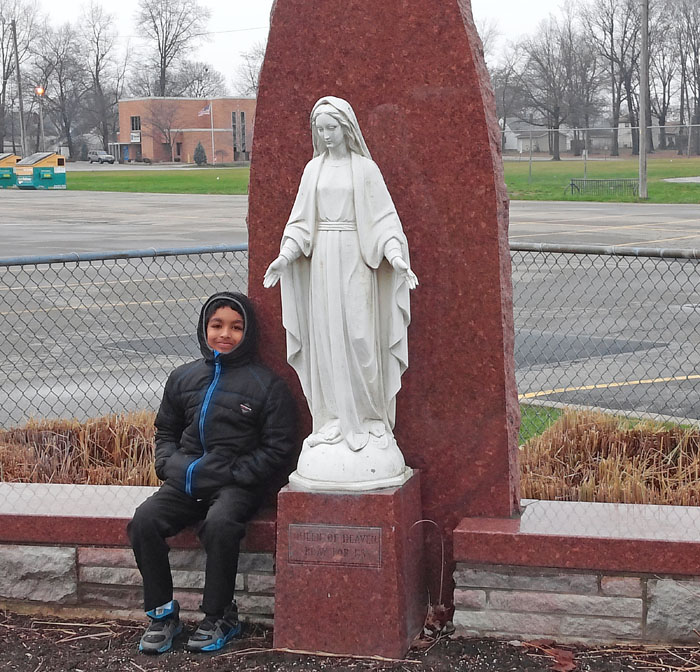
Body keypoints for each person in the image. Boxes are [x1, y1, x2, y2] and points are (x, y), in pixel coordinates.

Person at [128, 291, 296, 654]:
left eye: (236, 327)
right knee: (144, 520)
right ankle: (163, 615)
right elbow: (165, 431)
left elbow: (279, 447)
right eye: (217, 325)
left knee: (219, 525)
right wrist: (167, 464)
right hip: (186, 480)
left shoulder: (266, 385)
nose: (225, 334)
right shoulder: (183, 377)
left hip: (236, 486)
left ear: (248, 333)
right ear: (205, 328)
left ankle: (220, 615)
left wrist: (238, 472)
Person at [263, 96, 418, 486]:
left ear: (346, 128)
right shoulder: (312, 170)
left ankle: (369, 418)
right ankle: (332, 417)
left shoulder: (365, 170)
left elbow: (384, 222)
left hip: (356, 260)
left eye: (331, 128)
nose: (326, 135)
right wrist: (284, 257)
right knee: (328, 341)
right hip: (322, 266)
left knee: (361, 339)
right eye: (320, 129)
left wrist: (397, 258)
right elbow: (300, 223)